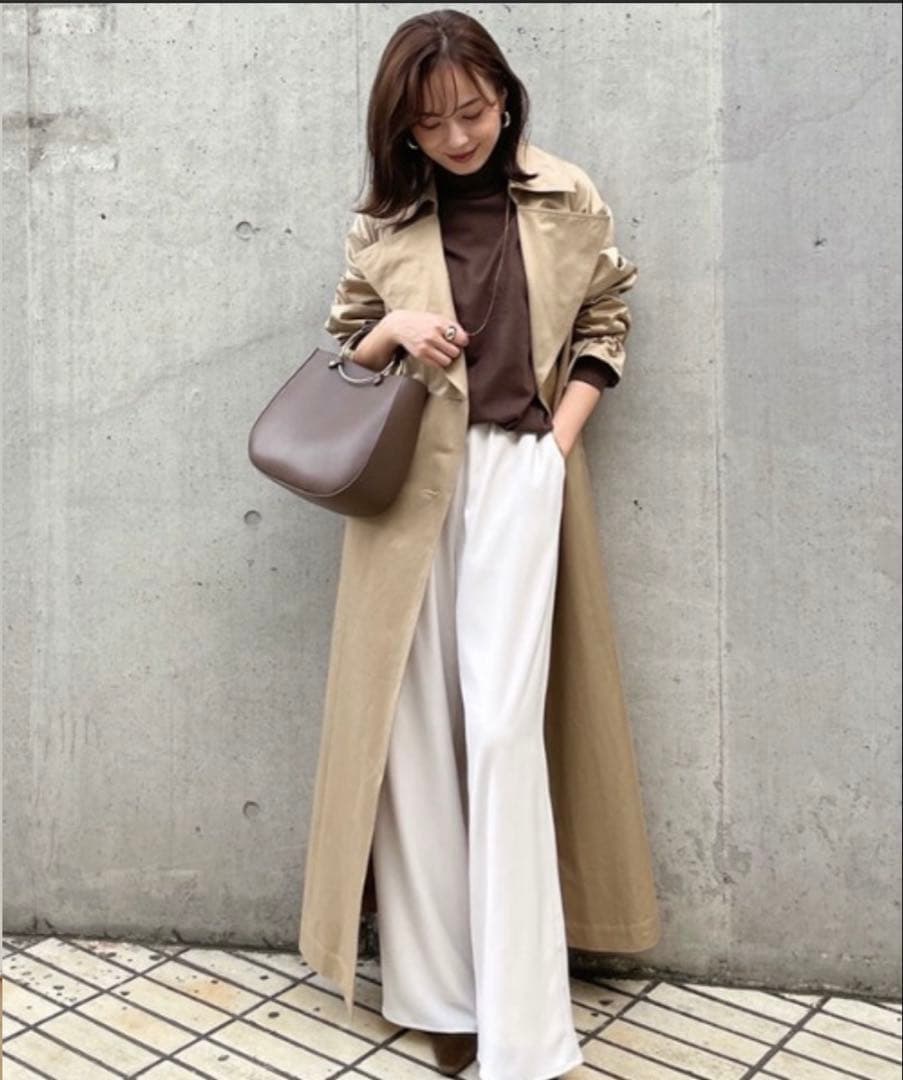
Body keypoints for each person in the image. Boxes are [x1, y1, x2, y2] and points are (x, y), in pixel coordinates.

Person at [299, 9, 659, 1080]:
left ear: (505, 97)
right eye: (431, 122)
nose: (458, 136)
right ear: (401, 129)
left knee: (503, 729)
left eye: (474, 110)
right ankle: (438, 993)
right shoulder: (384, 222)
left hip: (518, 470)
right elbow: (346, 349)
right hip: (411, 487)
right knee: (414, 733)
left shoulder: (564, 196)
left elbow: (607, 320)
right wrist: (394, 329)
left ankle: (522, 1017)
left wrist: (556, 444)